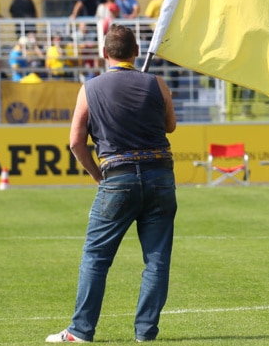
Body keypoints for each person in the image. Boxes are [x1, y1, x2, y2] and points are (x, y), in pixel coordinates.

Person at [46, 25, 177, 344]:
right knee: (157, 258)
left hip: (117, 177)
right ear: (136, 52)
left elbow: (76, 142)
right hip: (160, 175)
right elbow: (170, 126)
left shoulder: (89, 89)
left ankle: (80, 331)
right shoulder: (157, 83)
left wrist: (97, 176)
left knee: (96, 257)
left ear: (105, 54)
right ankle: (146, 332)